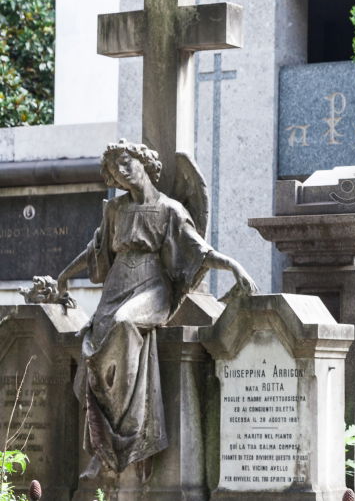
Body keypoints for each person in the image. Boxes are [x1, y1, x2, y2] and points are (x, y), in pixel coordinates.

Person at [57, 139, 256, 476]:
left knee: (123, 325)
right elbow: (95, 250)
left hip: (152, 286)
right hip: (116, 286)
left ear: (144, 163)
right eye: (114, 171)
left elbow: (199, 251)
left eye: (126, 163)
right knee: (96, 347)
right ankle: (105, 445)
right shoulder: (115, 210)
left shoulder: (170, 210)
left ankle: (130, 439)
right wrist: (63, 276)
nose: (121, 173)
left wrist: (235, 267)